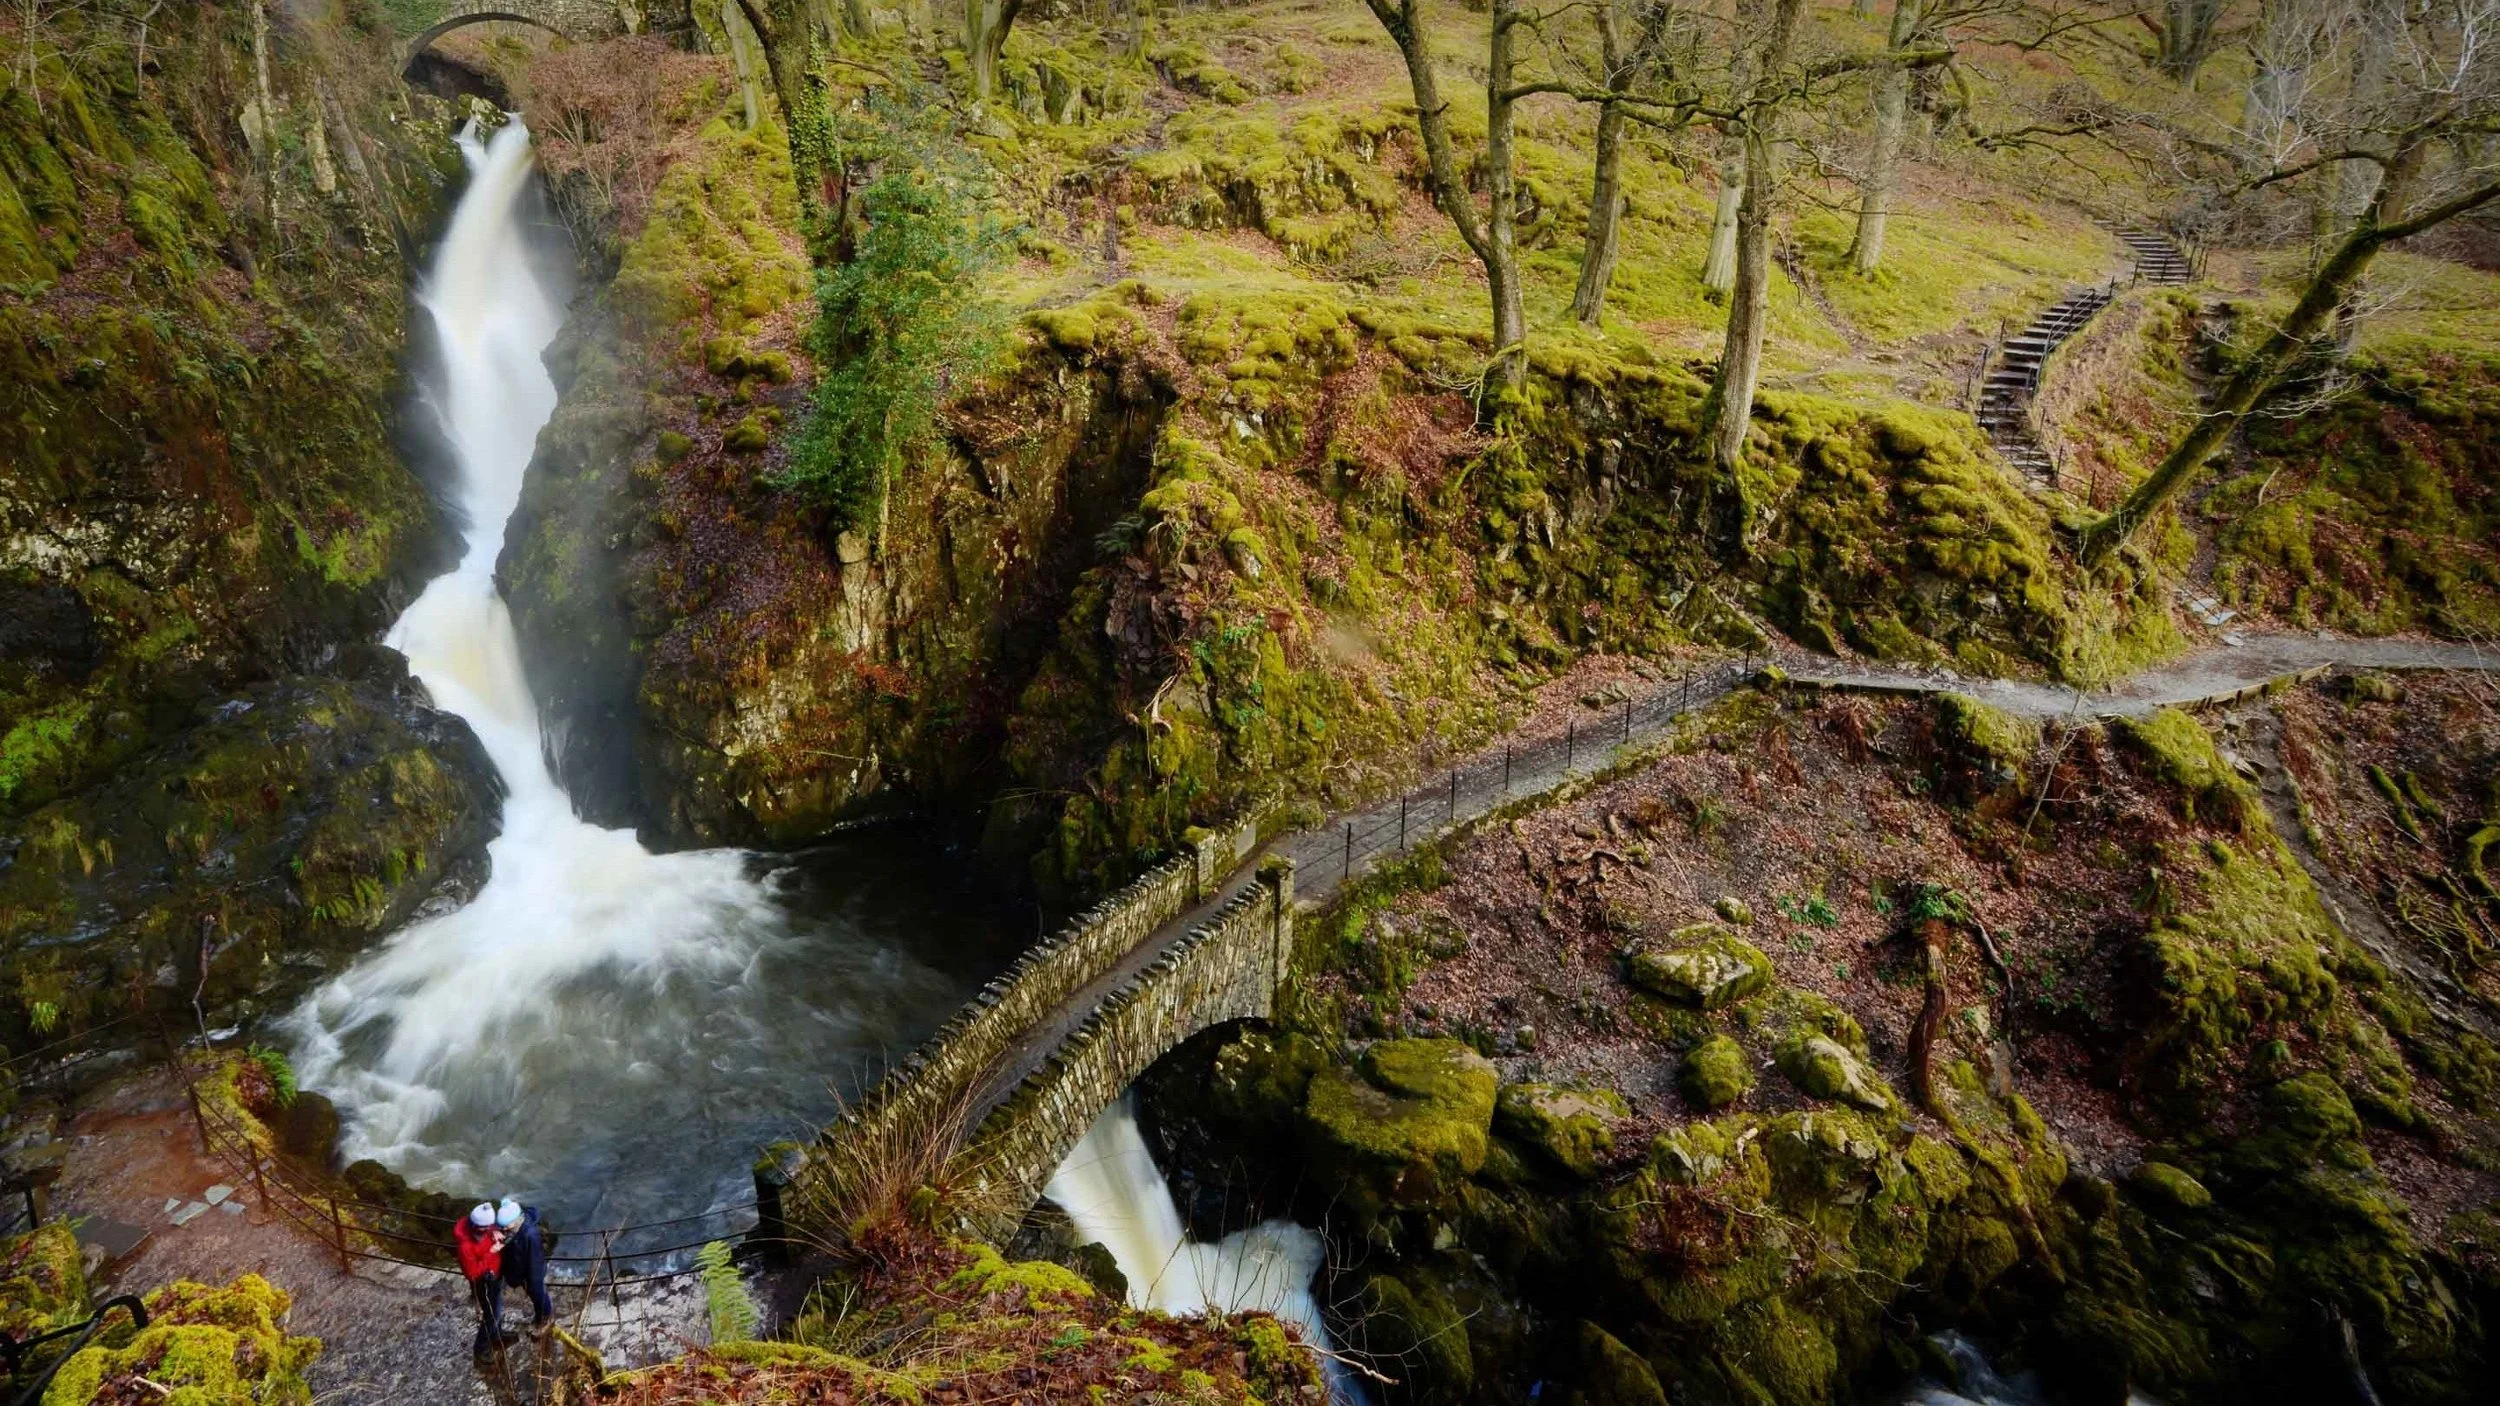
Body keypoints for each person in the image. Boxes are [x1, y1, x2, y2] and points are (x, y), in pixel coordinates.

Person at [453, 1201, 510, 1357]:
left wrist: (495, 1231)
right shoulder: (466, 1247)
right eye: (488, 1227)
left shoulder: (482, 1227)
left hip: (496, 1274)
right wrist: (491, 1252)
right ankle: (481, 1348)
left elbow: (491, 1228)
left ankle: (497, 1335)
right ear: (479, 1227)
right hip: (484, 1282)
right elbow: (472, 1273)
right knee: (492, 1315)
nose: (490, 1229)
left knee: (498, 1308)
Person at [496, 1197, 554, 1334]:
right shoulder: (513, 1229)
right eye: (501, 1225)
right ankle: (541, 1314)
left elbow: (535, 1261)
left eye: (506, 1225)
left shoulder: (530, 1235)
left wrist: (532, 1282)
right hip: (520, 1269)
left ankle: (546, 1316)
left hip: (532, 1273)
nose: (503, 1228)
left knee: (538, 1294)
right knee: (534, 1295)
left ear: (516, 1220)